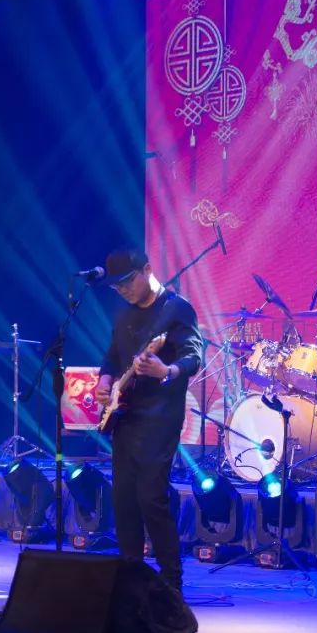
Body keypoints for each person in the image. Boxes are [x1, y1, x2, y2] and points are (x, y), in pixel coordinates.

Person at [93, 249, 203, 594]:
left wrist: (166, 371)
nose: (123, 290)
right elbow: (113, 356)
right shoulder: (124, 314)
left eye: (127, 282)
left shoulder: (176, 309)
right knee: (123, 498)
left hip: (160, 417)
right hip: (125, 416)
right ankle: (132, 578)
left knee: (151, 497)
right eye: (116, 287)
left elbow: (193, 356)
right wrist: (105, 382)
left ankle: (171, 582)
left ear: (148, 270)